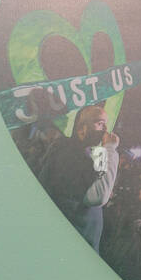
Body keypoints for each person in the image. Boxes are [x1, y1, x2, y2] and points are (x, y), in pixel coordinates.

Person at [39, 103, 119, 251]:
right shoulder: (66, 154)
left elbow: (102, 180)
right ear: (82, 129)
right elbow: (98, 197)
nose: (105, 131)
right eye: (99, 124)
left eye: (106, 125)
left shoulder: (94, 152)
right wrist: (111, 149)